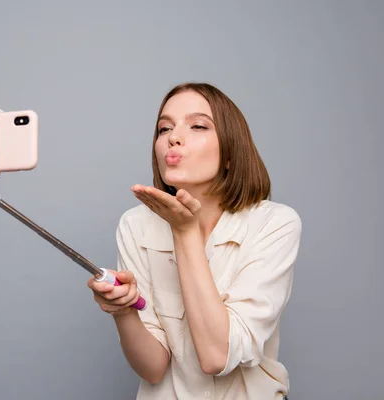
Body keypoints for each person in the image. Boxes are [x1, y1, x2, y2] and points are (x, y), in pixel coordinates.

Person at [88, 82, 302, 400]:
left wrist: (185, 231)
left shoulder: (275, 224)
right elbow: (153, 368)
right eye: (164, 128)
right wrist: (124, 312)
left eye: (198, 125)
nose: (173, 137)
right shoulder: (135, 224)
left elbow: (217, 357)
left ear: (231, 153)